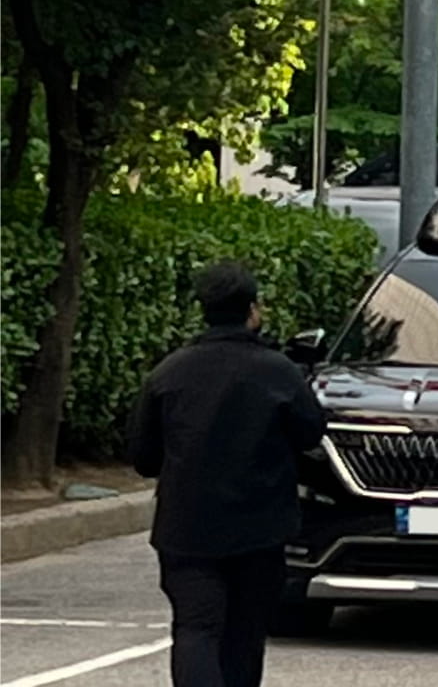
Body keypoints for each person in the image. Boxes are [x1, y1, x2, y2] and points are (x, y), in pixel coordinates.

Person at [128, 262, 325, 687]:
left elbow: (144, 457)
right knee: (245, 631)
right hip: (260, 526)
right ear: (252, 310)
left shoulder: (169, 372)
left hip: (186, 527)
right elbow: (311, 432)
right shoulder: (279, 372)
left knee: (195, 627)